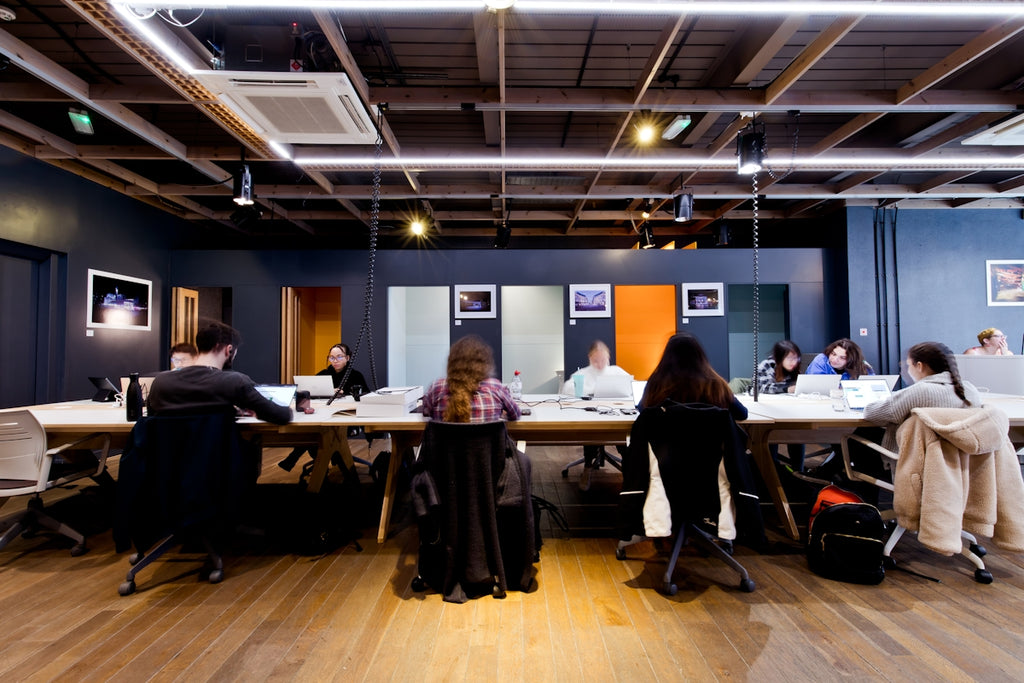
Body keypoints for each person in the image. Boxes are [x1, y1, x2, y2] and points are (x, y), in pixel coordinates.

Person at [635, 332, 750, 549]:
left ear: (667, 357)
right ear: (700, 356)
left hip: (667, 468)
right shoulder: (717, 385)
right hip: (710, 469)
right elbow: (741, 414)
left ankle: (669, 525)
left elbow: (643, 411)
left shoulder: (658, 384)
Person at [147, 321, 292, 425]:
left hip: (166, 463)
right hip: (217, 463)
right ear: (229, 349)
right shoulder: (235, 382)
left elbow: (153, 419)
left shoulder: (161, 381)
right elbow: (281, 416)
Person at [278, 342, 368, 472]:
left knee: (318, 434)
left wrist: (346, 392)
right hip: (323, 415)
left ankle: (295, 458)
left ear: (348, 358)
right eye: (331, 357)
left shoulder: (355, 376)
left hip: (345, 417)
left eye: (339, 357)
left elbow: (365, 395)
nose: (335, 361)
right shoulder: (323, 375)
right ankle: (322, 462)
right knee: (312, 431)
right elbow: (309, 393)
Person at [563, 340, 632, 491]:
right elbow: (567, 389)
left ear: (608, 358)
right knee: (591, 432)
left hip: (616, 417)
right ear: (589, 358)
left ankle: (630, 476)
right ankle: (588, 468)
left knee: (626, 439)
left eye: (603, 360)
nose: (600, 364)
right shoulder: (582, 374)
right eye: (596, 360)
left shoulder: (617, 372)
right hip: (592, 418)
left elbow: (632, 387)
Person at [422, 335, 521, 423]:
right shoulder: (495, 387)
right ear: (484, 364)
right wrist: (499, 413)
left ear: (452, 362)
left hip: (444, 443)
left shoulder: (437, 387)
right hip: (487, 444)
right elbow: (515, 414)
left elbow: (427, 412)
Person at [752, 340, 806, 470]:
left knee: (797, 435)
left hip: (791, 411)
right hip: (768, 412)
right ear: (779, 357)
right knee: (771, 436)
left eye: (796, 358)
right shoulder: (766, 366)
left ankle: (799, 471)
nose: (794, 362)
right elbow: (758, 388)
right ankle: (773, 470)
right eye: (790, 358)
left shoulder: (795, 368)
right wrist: (786, 389)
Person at [805, 338, 874, 380]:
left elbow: (872, 385)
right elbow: (815, 385)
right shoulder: (821, 360)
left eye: (842, 358)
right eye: (833, 354)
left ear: (852, 360)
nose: (835, 359)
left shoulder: (861, 365)